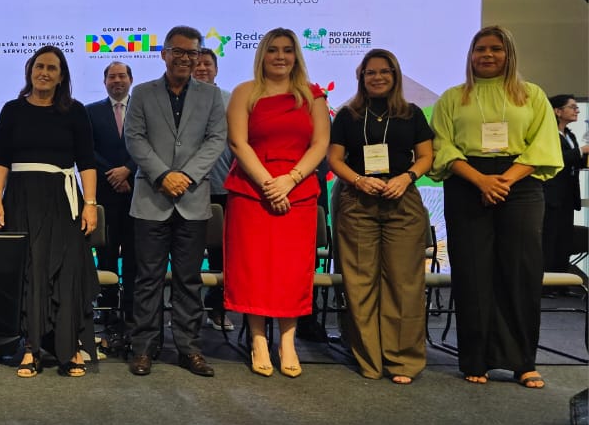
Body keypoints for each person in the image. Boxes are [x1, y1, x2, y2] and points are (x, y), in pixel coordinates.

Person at [430, 25, 563, 388]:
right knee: (472, 273)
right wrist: (481, 181)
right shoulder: (452, 97)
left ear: (509, 55)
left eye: (495, 49)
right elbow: (442, 146)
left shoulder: (532, 95)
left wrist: (503, 180)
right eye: (480, 49)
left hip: (519, 185)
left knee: (521, 272)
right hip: (467, 183)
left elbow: (543, 144)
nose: (487, 55)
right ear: (470, 55)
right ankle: (476, 359)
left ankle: (523, 363)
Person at [223, 28, 330, 378]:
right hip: (252, 190)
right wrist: (269, 184)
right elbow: (238, 143)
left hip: (298, 190)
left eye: (287, 50)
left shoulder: (313, 96)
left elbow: (320, 144)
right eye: (273, 50)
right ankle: (257, 340)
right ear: (262, 55)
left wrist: (290, 180)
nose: (280, 56)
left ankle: (287, 342)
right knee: (253, 267)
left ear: (296, 55)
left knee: (291, 269)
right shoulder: (244, 92)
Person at [123, 26, 227, 378]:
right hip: (151, 198)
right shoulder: (142, 92)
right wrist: (163, 175)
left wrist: (187, 176)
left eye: (192, 53)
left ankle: (189, 348)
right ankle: (144, 347)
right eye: (178, 51)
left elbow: (216, 140)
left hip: (193, 199)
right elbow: (134, 138)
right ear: (164, 54)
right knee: (148, 278)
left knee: (188, 279)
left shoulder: (211, 96)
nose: (185, 58)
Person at [0, 45, 99, 378]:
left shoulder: (75, 111)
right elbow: (0, 159)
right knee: (31, 271)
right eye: (39, 66)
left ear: (61, 76)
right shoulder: (12, 110)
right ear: (30, 70)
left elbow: (87, 161)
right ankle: (31, 348)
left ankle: (70, 347)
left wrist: (90, 204)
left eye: (52, 68)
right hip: (21, 199)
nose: (44, 73)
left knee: (67, 271)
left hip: (63, 200)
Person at [328, 49, 433, 384]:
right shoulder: (347, 116)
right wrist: (358, 180)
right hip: (358, 201)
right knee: (360, 284)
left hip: (402, 199)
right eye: (370, 72)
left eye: (384, 71)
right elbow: (335, 159)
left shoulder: (412, 113)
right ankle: (369, 359)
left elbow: (426, 156)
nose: (377, 77)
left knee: (404, 284)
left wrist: (407, 178)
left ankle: (402, 360)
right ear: (361, 77)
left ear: (395, 75)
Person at [86, 61, 137, 337]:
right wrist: (114, 175)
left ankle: (130, 308)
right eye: (112, 77)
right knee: (105, 253)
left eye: (122, 76)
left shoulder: (142, 109)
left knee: (133, 254)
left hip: (136, 193)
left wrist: (128, 169)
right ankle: (105, 308)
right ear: (104, 81)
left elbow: (147, 145)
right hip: (104, 194)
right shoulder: (90, 111)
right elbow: (87, 150)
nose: (117, 81)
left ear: (130, 79)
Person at [195, 48, 235, 333]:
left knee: (221, 254)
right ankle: (187, 311)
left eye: (207, 64)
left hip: (223, 187)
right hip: (189, 189)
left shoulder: (230, 101)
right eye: (197, 64)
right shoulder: (181, 99)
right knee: (188, 253)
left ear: (216, 69)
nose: (201, 68)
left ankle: (218, 308)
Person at [542, 95, 587, 275]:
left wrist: (583, 156)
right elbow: (555, 159)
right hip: (552, 196)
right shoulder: (548, 135)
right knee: (550, 239)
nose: (577, 111)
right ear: (557, 111)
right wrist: (581, 151)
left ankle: (562, 279)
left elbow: (574, 161)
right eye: (572, 107)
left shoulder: (570, 134)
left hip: (568, 196)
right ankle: (547, 282)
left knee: (564, 239)